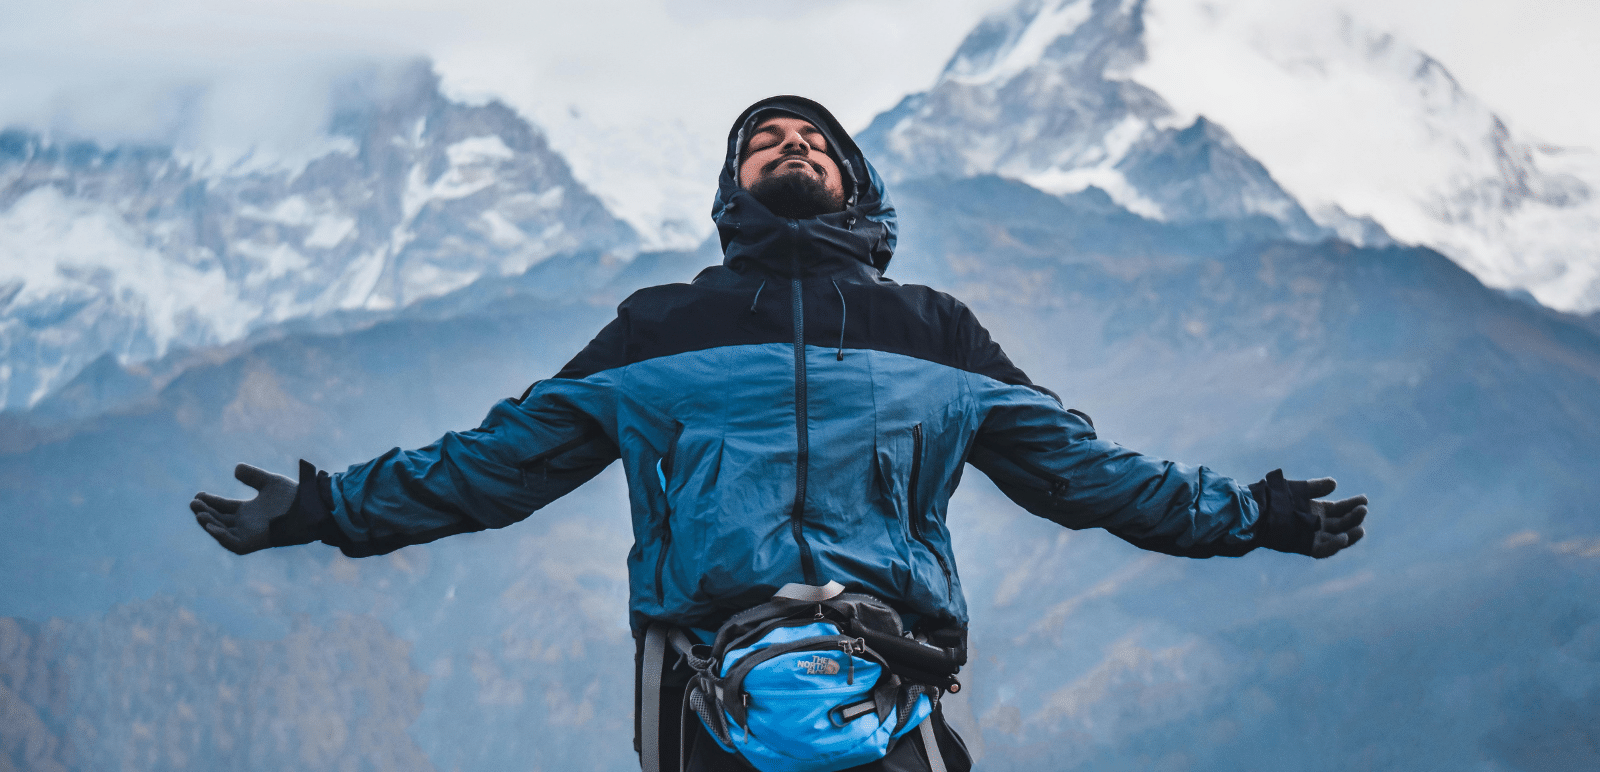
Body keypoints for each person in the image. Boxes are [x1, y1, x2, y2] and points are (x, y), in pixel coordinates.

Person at [191, 95, 1369, 772]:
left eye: (816, 142)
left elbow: (1088, 475)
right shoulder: (660, 330)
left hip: (888, 679)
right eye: (767, 144)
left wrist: (1250, 517)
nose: (794, 148)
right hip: (704, 683)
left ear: (856, 187)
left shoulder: (938, 332)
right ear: (735, 193)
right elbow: (500, 462)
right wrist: (327, 509)